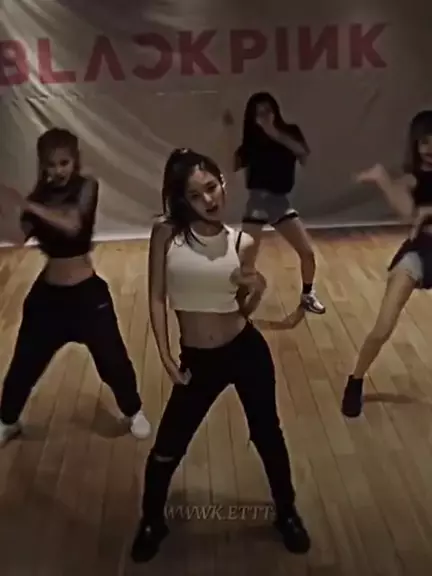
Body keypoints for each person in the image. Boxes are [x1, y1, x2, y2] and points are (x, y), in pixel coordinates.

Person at [130, 148, 311, 563]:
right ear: (181, 199)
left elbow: (241, 308)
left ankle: (287, 512)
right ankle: (151, 520)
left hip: (245, 351)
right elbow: (157, 296)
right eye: (195, 195)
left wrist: (258, 292)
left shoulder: (241, 242)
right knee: (168, 446)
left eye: (211, 187)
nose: (208, 199)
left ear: (223, 184)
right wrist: (165, 356)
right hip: (198, 360)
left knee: (268, 435)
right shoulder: (166, 234)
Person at [0, 127, 151, 445]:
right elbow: (17, 237)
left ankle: (133, 411)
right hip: (47, 298)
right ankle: (8, 420)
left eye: (63, 162)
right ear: (42, 164)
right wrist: (10, 207)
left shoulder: (87, 186)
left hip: (86, 295)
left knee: (113, 361)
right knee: (25, 364)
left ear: (74, 160)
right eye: (50, 164)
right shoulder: (38, 198)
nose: (57, 171)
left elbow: (73, 224)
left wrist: (29, 206)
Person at [342, 110, 432, 418]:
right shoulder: (411, 178)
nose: (429, 148)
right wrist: (416, 211)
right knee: (382, 327)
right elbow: (408, 215)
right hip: (420, 251)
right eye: (424, 142)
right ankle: (355, 380)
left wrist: (428, 213)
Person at [223, 91, 325, 314]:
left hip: (280, 203)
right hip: (257, 203)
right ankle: (236, 305)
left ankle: (308, 295)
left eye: (268, 111)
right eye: (259, 113)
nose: (265, 116)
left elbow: (303, 154)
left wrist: (274, 133)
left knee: (307, 252)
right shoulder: (252, 141)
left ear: (275, 111)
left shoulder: (289, 132)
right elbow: (233, 164)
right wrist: (229, 132)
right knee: (245, 262)